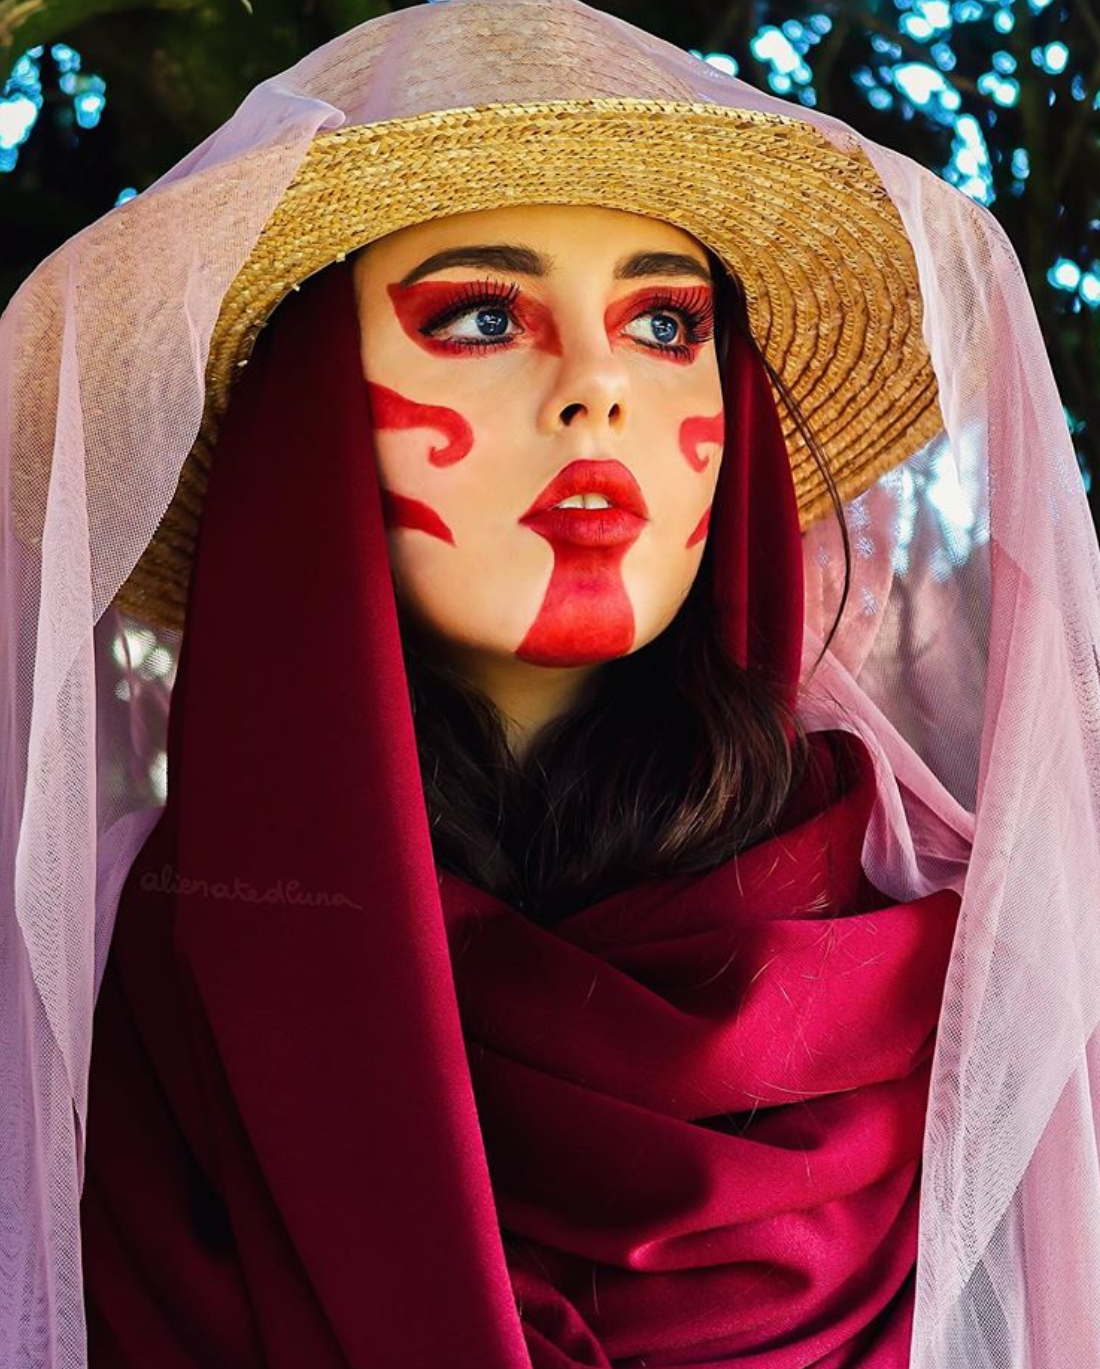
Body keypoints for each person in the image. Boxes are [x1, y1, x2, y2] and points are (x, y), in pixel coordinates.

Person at [2, 2, 1098, 1367]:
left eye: (663, 320)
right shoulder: (110, 995)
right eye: (479, 313)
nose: (597, 392)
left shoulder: (973, 986)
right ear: (308, 414)